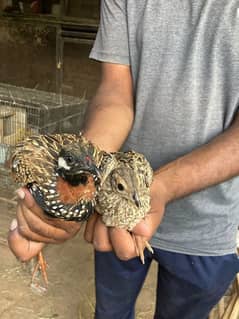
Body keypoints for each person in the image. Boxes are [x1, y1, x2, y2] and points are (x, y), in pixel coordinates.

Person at [8, 1, 239, 318]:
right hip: (111, 210)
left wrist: (161, 188)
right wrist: (82, 176)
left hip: (206, 224)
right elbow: (116, 91)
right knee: (111, 310)